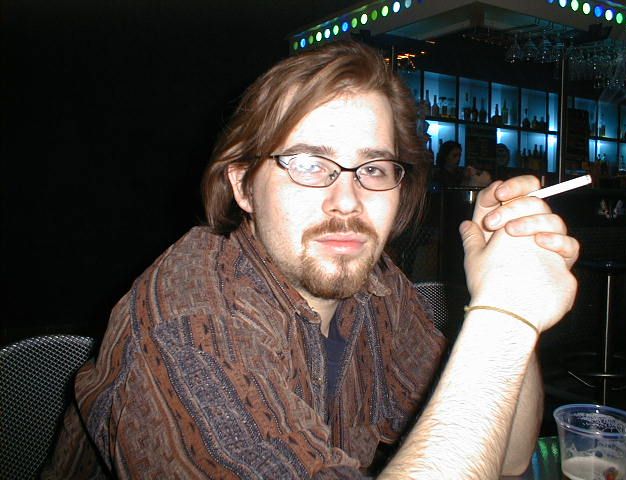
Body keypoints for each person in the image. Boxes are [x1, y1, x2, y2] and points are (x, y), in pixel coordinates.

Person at [42, 40, 578, 479]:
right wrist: (503, 318)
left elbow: (509, 457)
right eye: (307, 163)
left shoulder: (377, 287)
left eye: (372, 169)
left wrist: (505, 298)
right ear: (244, 186)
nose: (346, 202)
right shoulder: (190, 324)